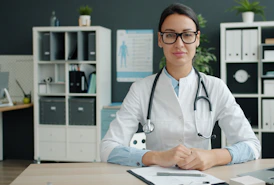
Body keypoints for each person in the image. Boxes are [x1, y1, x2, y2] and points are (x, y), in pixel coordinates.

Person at [101, 3, 260, 171]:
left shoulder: (215, 87)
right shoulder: (141, 89)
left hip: (203, 179)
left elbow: (252, 145)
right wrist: (156, 157)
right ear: (160, 40)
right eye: (170, 35)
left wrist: (213, 156)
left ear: (197, 39)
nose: (179, 44)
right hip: (155, 179)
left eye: (187, 35)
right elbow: (108, 148)